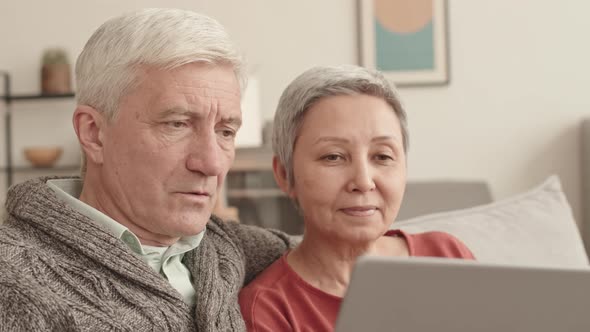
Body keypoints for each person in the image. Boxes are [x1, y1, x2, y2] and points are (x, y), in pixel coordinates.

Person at [0, 8, 295, 332]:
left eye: (226, 131)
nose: (211, 164)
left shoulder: (227, 245)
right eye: (177, 124)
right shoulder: (13, 282)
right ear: (94, 133)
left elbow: (337, 256)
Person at [238, 65, 475, 332]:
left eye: (382, 156)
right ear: (284, 174)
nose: (363, 181)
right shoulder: (268, 311)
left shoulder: (447, 256)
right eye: (333, 157)